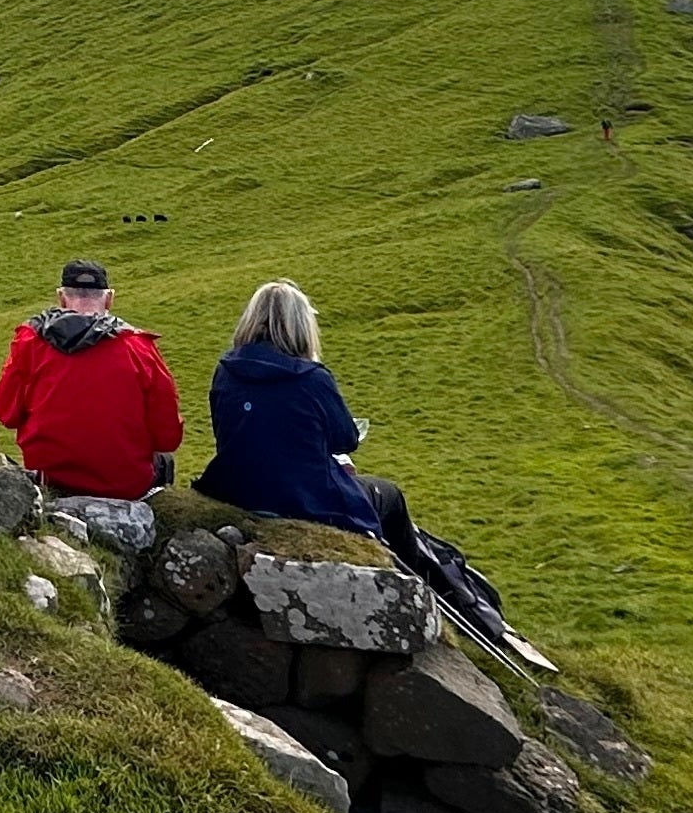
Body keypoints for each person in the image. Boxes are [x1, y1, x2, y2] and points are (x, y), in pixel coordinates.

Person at [201, 278, 534, 661]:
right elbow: (345, 437)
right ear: (300, 326)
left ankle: (438, 589)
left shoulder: (226, 370)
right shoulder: (311, 378)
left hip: (238, 486)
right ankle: (426, 589)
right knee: (389, 498)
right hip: (305, 497)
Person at [0, 260, 183, 500]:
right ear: (109, 299)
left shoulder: (29, 341)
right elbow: (168, 437)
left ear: (61, 298)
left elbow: (5, 412)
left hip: (51, 478)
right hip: (125, 485)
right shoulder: (139, 348)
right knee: (165, 461)